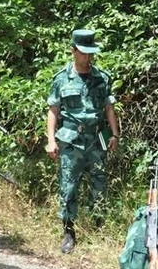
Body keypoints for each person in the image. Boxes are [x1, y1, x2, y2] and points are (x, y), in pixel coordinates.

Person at [46, 29, 120, 254]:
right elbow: (53, 111)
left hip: (97, 139)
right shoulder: (61, 79)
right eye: (84, 53)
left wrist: (115, 134)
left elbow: (109, 108)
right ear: (73, 51)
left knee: (99, 183)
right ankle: (68, 232)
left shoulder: (102, 77)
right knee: (69, 186)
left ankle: (99, 227)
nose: (88, 58)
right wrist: (51, 139)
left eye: (91, 54)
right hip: (71, 140)